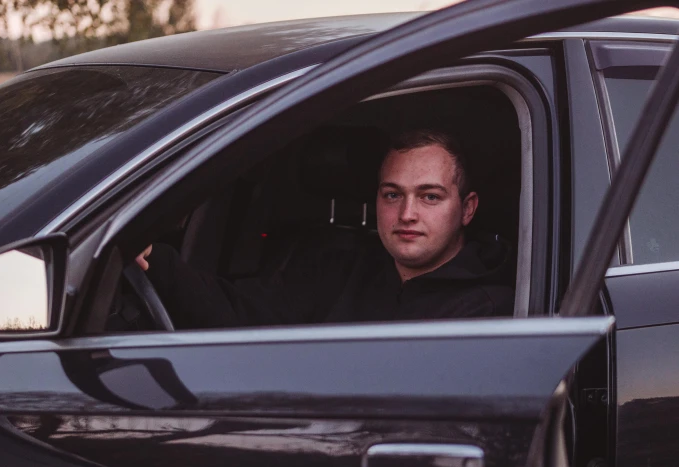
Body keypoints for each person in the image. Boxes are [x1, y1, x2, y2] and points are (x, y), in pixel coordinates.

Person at [136, 129, 514, 329]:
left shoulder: (490, 310)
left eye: (430, 197)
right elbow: (239, 315)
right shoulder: (337, 268)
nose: (407, 214)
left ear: (467, 209)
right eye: (392, 195)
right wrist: (154, 258)